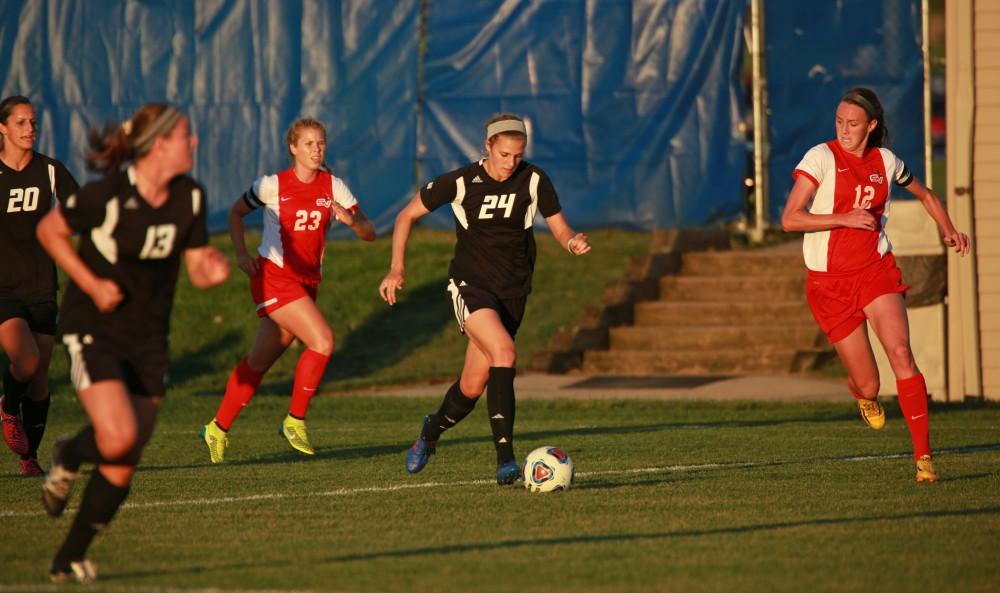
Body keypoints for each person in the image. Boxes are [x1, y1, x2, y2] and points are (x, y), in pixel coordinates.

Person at [35, 103, 231, 582]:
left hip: (149, 337)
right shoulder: (108, 195)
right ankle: (69, 455)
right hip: (94, 328)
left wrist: (213, 269)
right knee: (119, 435)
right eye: (187, 134)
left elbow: (196, 265)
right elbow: (50, 230)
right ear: (158, 144)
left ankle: (69, 554)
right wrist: (91, 283)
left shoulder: (191, 196)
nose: (195, 142)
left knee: (126, 454)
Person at [378, 114, 591, 485]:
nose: (511, 163)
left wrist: (571, 241)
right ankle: (506, 460)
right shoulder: (461, 181)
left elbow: (559, 226)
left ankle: (429, 431)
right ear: (488, 146)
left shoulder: (534, 178)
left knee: (471, 388)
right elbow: (405, 215)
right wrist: (396, 269)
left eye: (517, 155)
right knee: (504, 353)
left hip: (513, 291)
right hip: (469, 285)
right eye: (504, 153)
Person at [781, 87, 970, 483]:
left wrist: (949, 229)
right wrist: (844, 218)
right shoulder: (821, 157)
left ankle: (924, 459)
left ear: (871, 126)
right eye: (839, 122)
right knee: (870, 382)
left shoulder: (885, 160)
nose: (844, 130)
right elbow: (790, 219)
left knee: (901, 352)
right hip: (829, 284)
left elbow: (925, 193)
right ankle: (862, 395)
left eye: (852, 124)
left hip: (875, 271)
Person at [200, 117, 375, 463]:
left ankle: (216, 428)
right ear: (293, 148)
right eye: (308, 143)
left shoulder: (333, 186)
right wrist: (240, 254)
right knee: (323, 341)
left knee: (259, 361)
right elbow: (235, 213)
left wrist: (352, 221)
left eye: (321, 143)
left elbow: (369, 232)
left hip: (307, 284)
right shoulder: (271, 185)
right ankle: (294, 420)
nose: (316, 149)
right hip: (274, 277)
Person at [0, 96, 79, 476]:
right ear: (3, 129)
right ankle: (6, 406)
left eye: (33, 122)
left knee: (41, 377)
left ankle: (28, 458)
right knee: (26, 361)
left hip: (42, 286)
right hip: (3, 287)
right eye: (20, 123)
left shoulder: (49, 170)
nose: (29, 129)